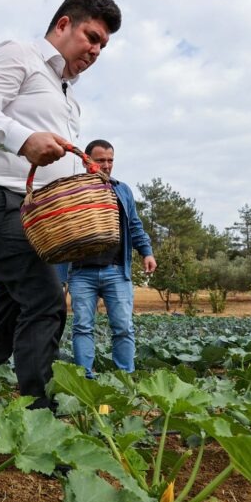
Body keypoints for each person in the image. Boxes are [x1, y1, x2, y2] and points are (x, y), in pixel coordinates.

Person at [0, 0, 121, 408]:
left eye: (103, 44)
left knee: (12, 306)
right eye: (92, 36)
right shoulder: (19, 54)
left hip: (41, 217)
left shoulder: (69, 97)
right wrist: (24, 139)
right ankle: (39, 413)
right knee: (47, 301)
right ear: (64, 23)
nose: (96, 49)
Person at [67, 139, 156, 376]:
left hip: (117, 270)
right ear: (86, 161)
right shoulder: (74, 191)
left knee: (123, 328)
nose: (106, 165)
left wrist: (146, 252)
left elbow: (135, 225)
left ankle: (124, 379)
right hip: (81, 272)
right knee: (82, 327)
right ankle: (85, 379)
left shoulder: (122, 190)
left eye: (110, 160)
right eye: (100, 160)